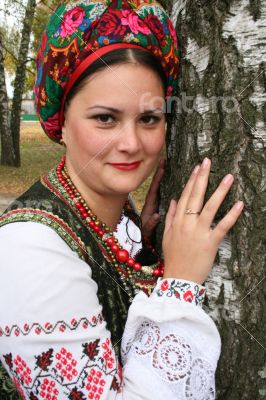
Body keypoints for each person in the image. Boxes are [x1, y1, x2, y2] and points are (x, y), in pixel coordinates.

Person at [0, 1, 244, 399]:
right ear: (61, 123)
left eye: (149, 119)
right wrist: (179, 285)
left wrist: (146, 250)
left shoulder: (117, 221)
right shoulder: (29, 251)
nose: (131, 144)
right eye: (105, 118)